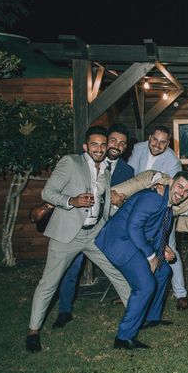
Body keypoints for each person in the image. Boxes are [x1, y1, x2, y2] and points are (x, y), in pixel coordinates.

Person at [25, 126, 131, 353]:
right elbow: (48, 193)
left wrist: (114, 205)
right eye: (94, 144)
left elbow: (103, 203)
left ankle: (135, 319)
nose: (100, 149)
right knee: (49, 283)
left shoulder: (106, 171)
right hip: (67, 235)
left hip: (93, 233)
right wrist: (71, 201)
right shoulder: (71, 163)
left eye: (103, 145)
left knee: (118, 272)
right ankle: (33, 331)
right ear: (86, 146)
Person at [95, 171, 188, 350]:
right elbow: (133, 227)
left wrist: (163, 250)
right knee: (145, 285)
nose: (182, 192)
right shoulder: (154, 198)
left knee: (164, 270)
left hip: (133, 241)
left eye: (187, 191)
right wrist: (151, 256)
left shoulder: (167, 204)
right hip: (120, 241)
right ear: (171, 182)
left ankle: (152, 318)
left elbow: (156, 232)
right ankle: (123, 337)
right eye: (180, 186)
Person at [53, 123, 135, 329]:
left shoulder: (128, 170)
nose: (117, 146)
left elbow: (129, 198)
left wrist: (121, 202)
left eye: (122, 143)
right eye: (114, 141)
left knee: (118, 265)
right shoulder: (82, 163)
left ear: (125, 148)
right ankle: (64, 310)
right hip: (78, 226)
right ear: (105, 143)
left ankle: (131, 309)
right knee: (71, 269)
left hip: (108, 227)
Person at [128, 125, 188, 311]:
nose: (157, 145)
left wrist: (161, 185)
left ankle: (181, 293)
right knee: (135, 250)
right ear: (150, 137)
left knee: (169, 249)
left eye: (163, 142)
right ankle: (134, 290)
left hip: (161, 211)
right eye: (155, 140)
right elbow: (130, 176)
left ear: (168, 143)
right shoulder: (138, 148)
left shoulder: (173, 161)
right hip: (136, 206)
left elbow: (174, 189)